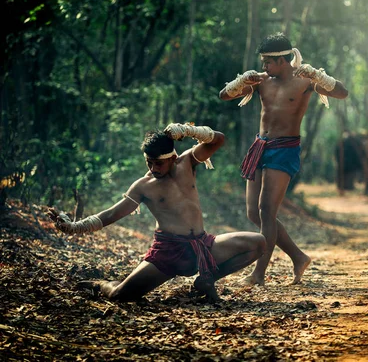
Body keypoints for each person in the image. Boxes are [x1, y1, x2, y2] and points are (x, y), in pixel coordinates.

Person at [47, 123, 266, 303]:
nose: (153, 168)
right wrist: (74, 227)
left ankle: (206, 280)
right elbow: (111, 214)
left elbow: (219, 139)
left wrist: (189, 131)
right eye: (149, 162)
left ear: (172, 157)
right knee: (120, 296)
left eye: (158, 163)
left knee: (258, 242)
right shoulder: (143, 186)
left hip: (203, 247)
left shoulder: (188, 162)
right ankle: (103, 284)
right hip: (168, 253)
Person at [219, 33, 348, 286]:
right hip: (260, 146)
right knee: (253, 213)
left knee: (267, 211)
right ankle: (298, 257)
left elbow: (342, 93)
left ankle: (258, 274)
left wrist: (319, 76)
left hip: (284, 149)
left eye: (267, 61)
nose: (264, 66)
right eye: (263, 61)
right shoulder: (261, 81)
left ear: (282, 60)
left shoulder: (305, 82)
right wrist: (241, 80)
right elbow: (224, 95)